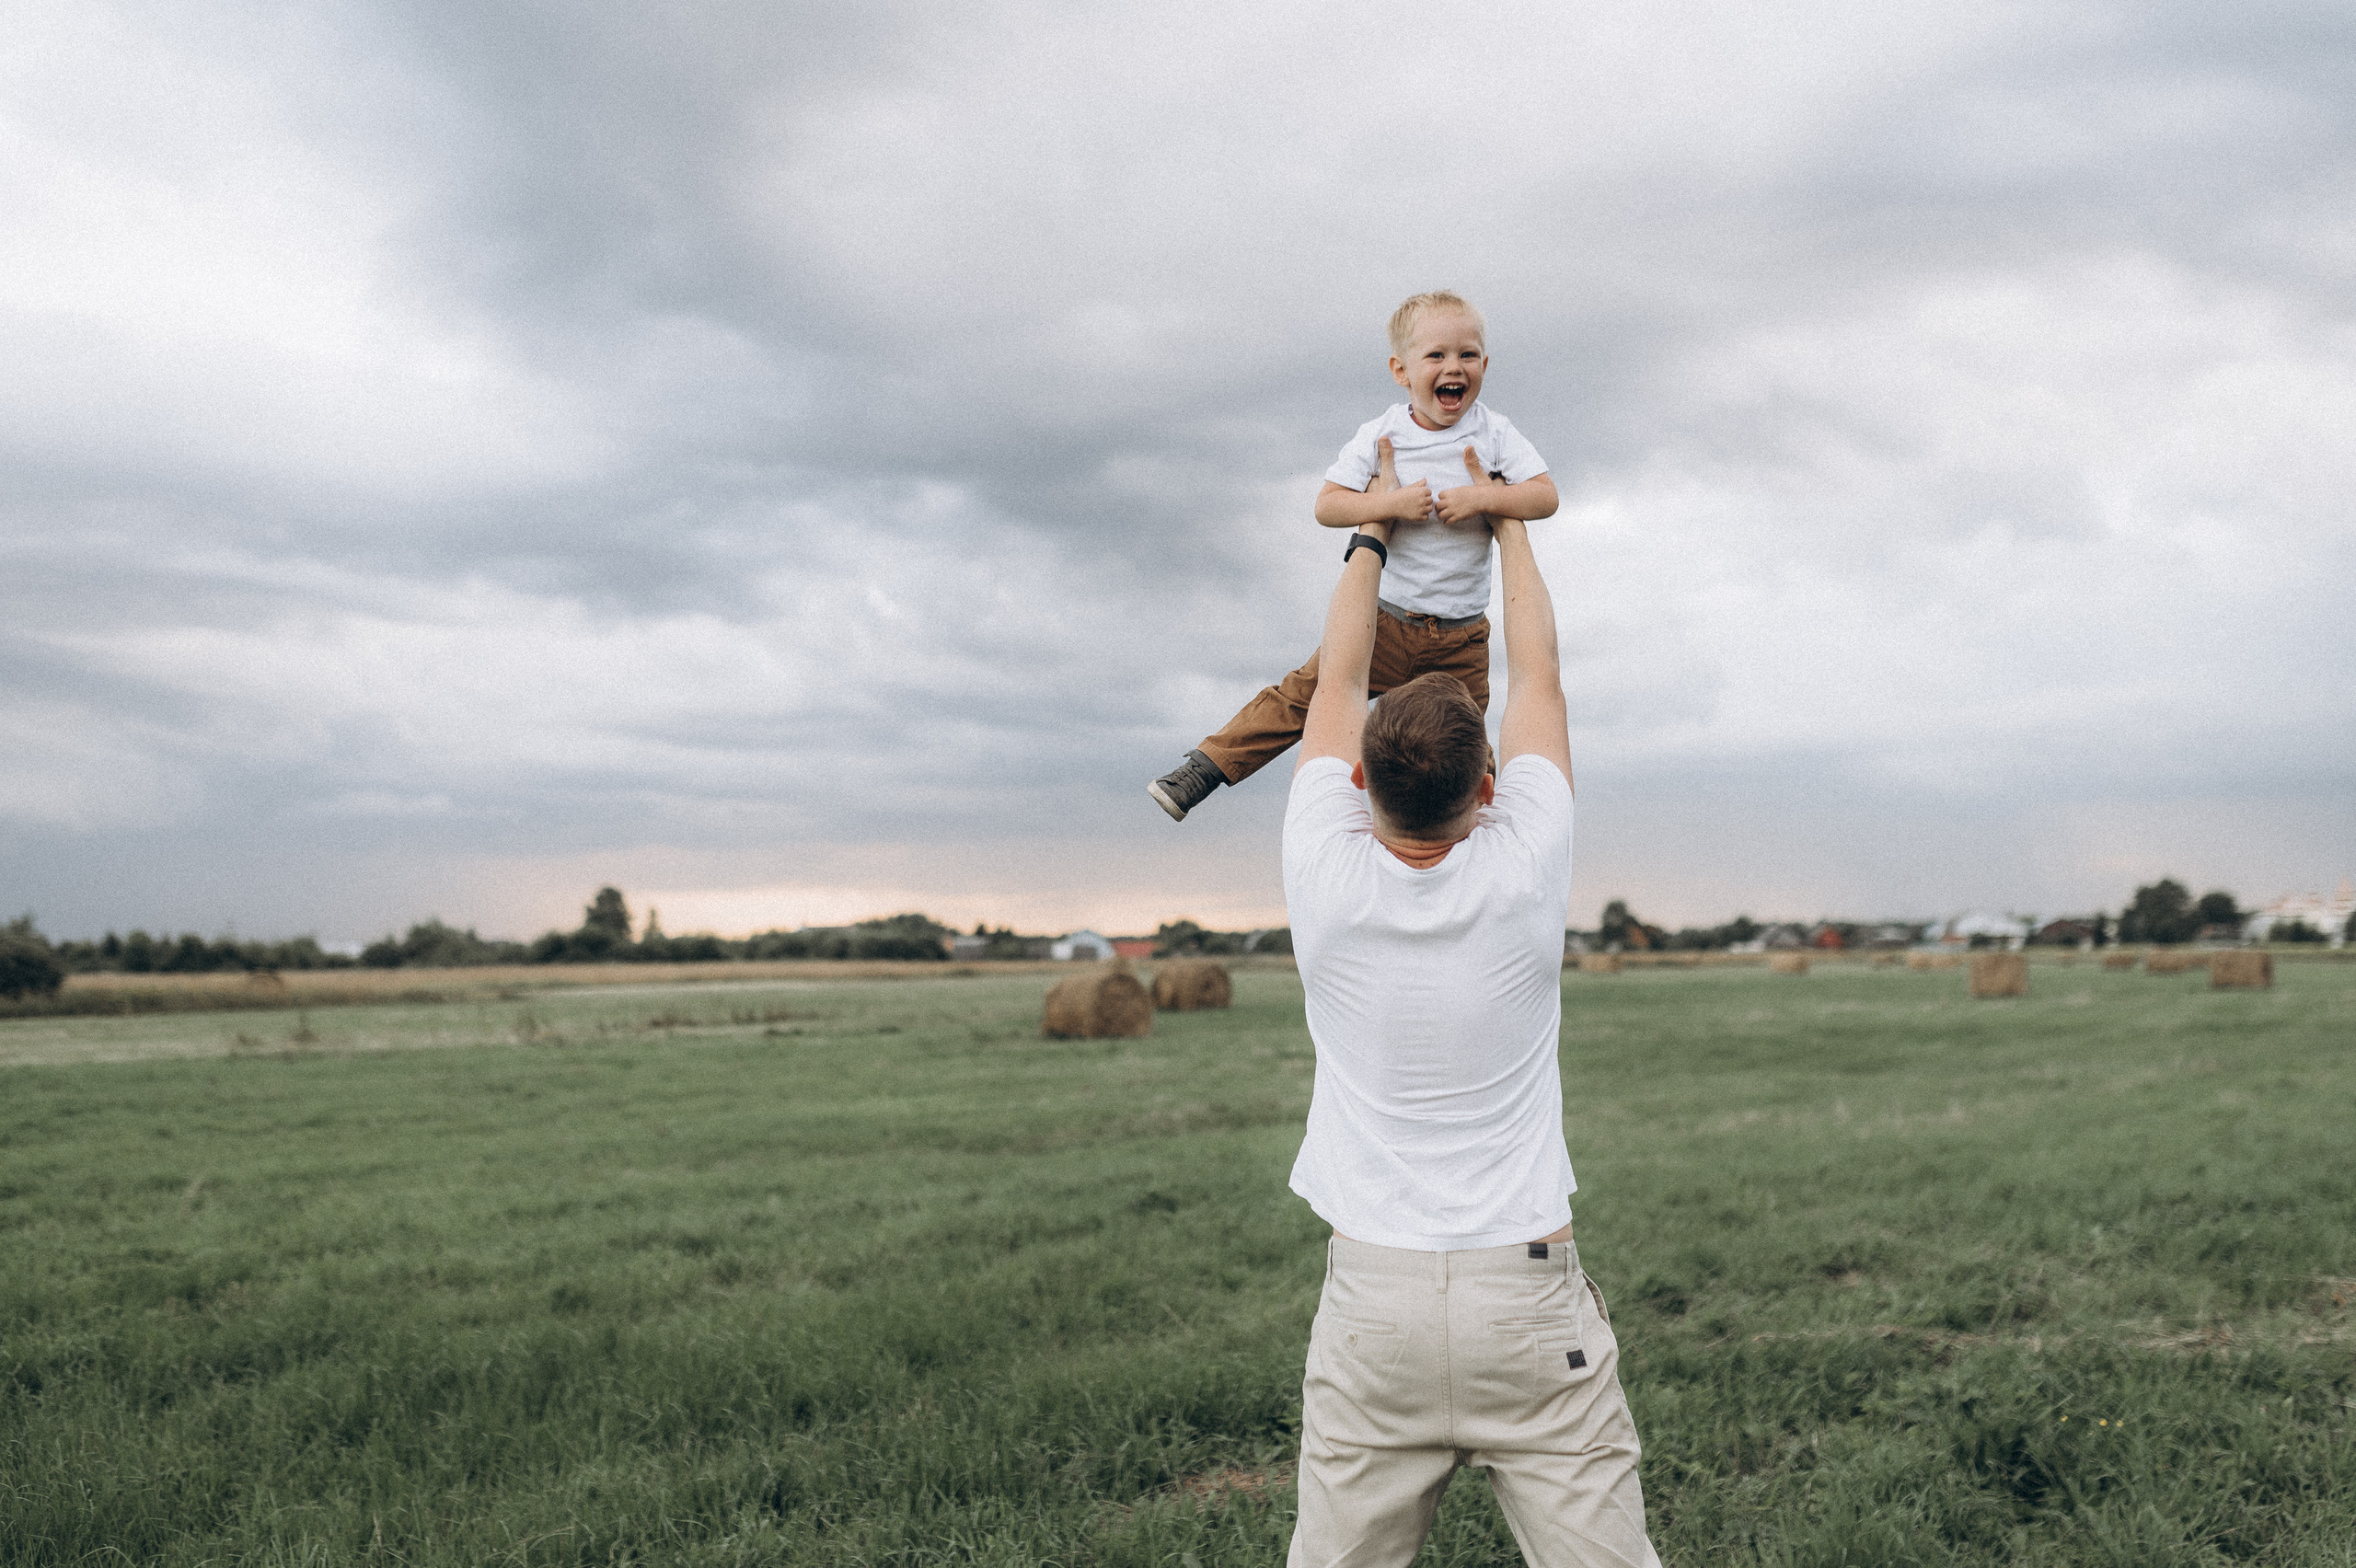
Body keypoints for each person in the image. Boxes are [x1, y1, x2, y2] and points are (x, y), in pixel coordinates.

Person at [1277, 469, 1662, 1568]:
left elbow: (1342, 671)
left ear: (1356, 779)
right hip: (1525, 1296)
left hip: (1374, 1302)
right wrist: (1508, 526)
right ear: (1487, 789)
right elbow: (1538, 669)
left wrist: (1371, 531)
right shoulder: (1526, 856)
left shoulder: (1321, 860)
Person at [1147, 290, 1560, 822]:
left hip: (1460, 637)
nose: (1454, 367)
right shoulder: (1382, 433)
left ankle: (1479, 829)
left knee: (1462, 737)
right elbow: (1328, 505)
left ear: (1485, 364)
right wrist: (1389, 503)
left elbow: (1544, 496)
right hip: (1383, 623)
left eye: (1468, 354)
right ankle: (1206, 766)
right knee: (1303, 696)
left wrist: (1485, 497)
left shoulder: (1496, 433)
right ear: (1401, 370)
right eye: (1435, 355)